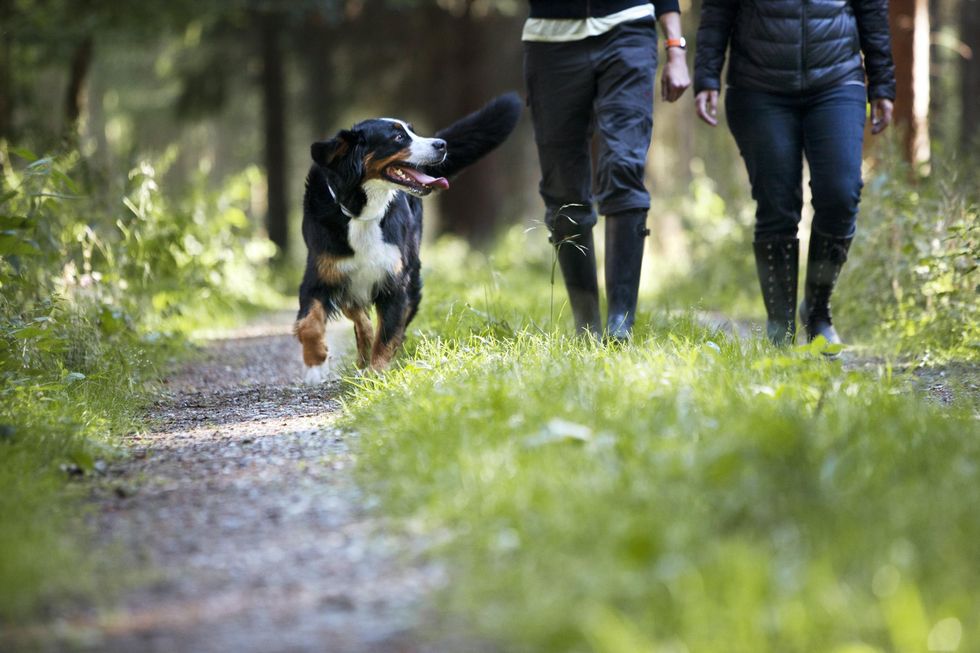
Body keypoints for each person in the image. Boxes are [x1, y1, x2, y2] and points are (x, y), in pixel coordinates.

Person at [693, 0, 895, 347]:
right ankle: (780, 327)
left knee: (841, 194)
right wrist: (707, 74)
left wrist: (882, 82)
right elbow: (718, 9)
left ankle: (817, 312)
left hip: (837, 81)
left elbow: (872, 9)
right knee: (777, 205)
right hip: (758, 86)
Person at [523, 0, 690, 340]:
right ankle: (587, 326)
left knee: (623, 165)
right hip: (551, 42)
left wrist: (675, 48)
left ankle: (620, 323)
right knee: (563, 188)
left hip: (628, 31)